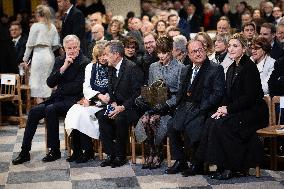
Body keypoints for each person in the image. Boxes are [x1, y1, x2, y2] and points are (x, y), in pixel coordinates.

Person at [196, 33, 269, 180]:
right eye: (229, 46)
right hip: (239, 109)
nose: (230, 49)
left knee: (223, 125)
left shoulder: (249, 67)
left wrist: (228, 109)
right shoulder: (230, 68)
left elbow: (249, 98)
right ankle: (218, 165)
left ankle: (232, 167)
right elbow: (227, 96)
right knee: (212, 121)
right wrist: (221, 109)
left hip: (253, 112)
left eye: (235, 46)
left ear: (243, 48)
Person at [12, 35, 89, 165]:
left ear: (79, 47)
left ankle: (54, 150)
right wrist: (64, 67)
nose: (72, 51)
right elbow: (50, 83)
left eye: (75, 47)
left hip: (74, 100)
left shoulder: (84, 62)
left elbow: (77, 87)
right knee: (34, 111)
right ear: (64, 48)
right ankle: (24, 151)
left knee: (50, 109)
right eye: (69, 48)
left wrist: (61, 87)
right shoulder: (60, 60)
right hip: (58, 98)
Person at [165, 39, 225, 176]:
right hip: (186, 106)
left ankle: (197, 163)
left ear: (204, 50)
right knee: (171, 125)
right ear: (189, 55)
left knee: (193, 126)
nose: (198, 53)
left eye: (200, 50)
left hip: (204, 108)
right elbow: (181, 92)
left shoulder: (215, 68)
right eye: (194, 51)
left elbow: (218, 94)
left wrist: (201, 107)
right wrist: (176, 107)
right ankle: (180, 161)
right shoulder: (186, 69)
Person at [135, 37, 184, 169]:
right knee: (145, 120)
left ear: (171, 52)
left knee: (152, 121)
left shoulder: (181, 68)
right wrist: (141, 97)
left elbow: (180, 95)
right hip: (155, 105)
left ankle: (158, 153)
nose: (161, 56)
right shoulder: (153, 67)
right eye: (159, 53)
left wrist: (167, 104)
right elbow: (151, 88)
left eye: (164, 53)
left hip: (171, 107)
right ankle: (153, 151)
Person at [96, 40, 144, 168]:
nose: (104, 57)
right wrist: (112, 103)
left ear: (116, 54)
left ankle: (120, 156)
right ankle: (111, 154)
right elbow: (111, 90)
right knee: (102, 116)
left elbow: (138, 93)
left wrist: (122, 107)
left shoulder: (132, 67)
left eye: (106, 54)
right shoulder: (111, 68)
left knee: (119, 119)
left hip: (132, 107)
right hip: (117, 105)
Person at [65, 41, 108, 163]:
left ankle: (88, 150)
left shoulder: (111, 67)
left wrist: (100, 99)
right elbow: (86, 87)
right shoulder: (90, 67)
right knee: (74, 111)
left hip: (106, 102)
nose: (103, 58)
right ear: (96, 56)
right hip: (93, 99)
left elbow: (112, 88)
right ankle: (76, 150)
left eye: (105, 54)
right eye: (100, 55)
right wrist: (93, 98)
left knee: (83, 114)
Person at [22, 5, 60, 105]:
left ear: (38, 14)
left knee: (38, 87)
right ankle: (48, 113)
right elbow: (56, 45)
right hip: (49, 55)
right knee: (48, 84)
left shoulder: (35, 26)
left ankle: (41, 115)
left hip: (38, 56)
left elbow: (29, 45)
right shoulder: (52, 26)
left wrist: (25, 59)